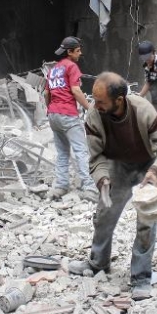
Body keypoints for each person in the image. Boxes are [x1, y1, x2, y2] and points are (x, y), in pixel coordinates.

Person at [69, 72, 157, 300]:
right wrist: (103, 179)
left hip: (149, 164)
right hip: (117, 165)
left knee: (146, 221)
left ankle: (140, 277)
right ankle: (98, 263)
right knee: (104, 213)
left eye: (101, 102)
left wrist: (155, 172)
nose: (95, 105)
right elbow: (96, 156)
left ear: (119, 100)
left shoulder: (143, 110)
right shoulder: (94, 115)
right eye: (95, 100)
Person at [45, 36, 98, 200]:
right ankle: (89, 188)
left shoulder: (54, 69)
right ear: (70, 51)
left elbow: (46, 93)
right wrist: (90, 108)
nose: (80, 53)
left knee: (62, 153)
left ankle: (60, 186)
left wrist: (51, 109)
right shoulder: (71, 66)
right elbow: (75, 91)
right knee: (81, 151)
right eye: (78, 50)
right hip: (67, 114)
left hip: (53, 115)